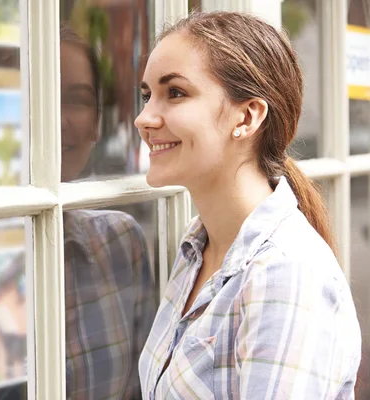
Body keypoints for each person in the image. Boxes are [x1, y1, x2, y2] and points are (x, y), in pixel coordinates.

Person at [0, 22, 156, 400]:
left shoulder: (123, 244)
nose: (57, 121)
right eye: (36, 99)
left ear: (95, 122)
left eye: (75, 99)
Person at [135, 11, 362, 399]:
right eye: (146, 95)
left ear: (247, 116)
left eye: (175, 93)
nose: (143, 119)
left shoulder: (285, 274)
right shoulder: (198, 248)